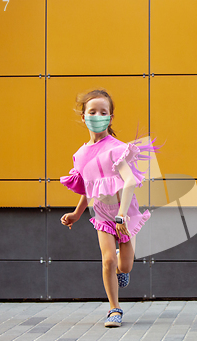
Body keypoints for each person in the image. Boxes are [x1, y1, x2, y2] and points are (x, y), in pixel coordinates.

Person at [60, 89, 157, 328]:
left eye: (103, 112)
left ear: (110, 117)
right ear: (83, 117)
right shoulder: (80, 155)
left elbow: (131, 182)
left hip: (125, 213)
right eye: (92, 112)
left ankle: (120, 265)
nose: (97, 116)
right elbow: (87, 189)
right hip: (102, 215)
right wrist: (76, 213)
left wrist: (122, 216)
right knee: (107, 262)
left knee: (125, 265)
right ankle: (114, 308)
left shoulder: (116, 148)